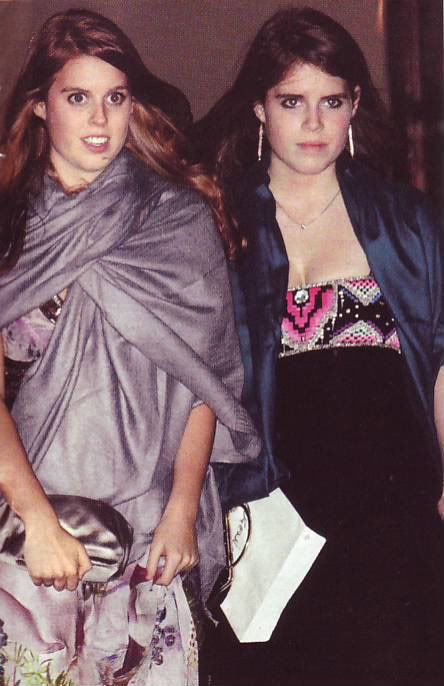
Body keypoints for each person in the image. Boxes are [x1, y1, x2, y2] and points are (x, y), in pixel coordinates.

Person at [0, 8, 260, 686]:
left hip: (149, 533)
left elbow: (205, 385)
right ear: (38, 105)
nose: (99, 119)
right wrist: (36, 519)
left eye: (115, 98)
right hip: (32, 536)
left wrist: (183, 510)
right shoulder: (9, 227)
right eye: (77, 97)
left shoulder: (177, 221)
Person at [192, 7, 444, 686]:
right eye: (291, 102)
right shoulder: (215, 225)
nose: (312, 123)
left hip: (391, 521)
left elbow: (441, 360)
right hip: (270, 520)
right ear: (258, 107)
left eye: (331, 102)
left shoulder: (406, 220)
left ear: (354, 106)